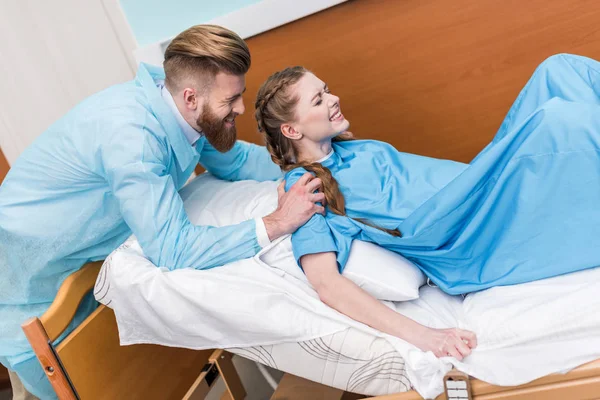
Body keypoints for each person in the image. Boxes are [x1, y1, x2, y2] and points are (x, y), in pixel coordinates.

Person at [0, 25, 325, 399]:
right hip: (24, 278)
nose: (239, 108)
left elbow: (234, 162)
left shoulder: (174, 102)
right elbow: (175, 249)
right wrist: (276, 223)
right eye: (231, 99)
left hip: (85, 258)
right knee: (68, 382)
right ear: (190, 97)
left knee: (130, 380)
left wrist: (309, 166)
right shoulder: (133, 139)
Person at [254, 53, 600, 361]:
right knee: (560, 122)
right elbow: (326, 283)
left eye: (326, 89)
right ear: (291, 129)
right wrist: (425, 336)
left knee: (561, 70)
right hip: (468, 230)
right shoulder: (304, 189)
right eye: (319, 100)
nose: (334, 98)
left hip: (477, 188)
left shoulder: (344, 149)